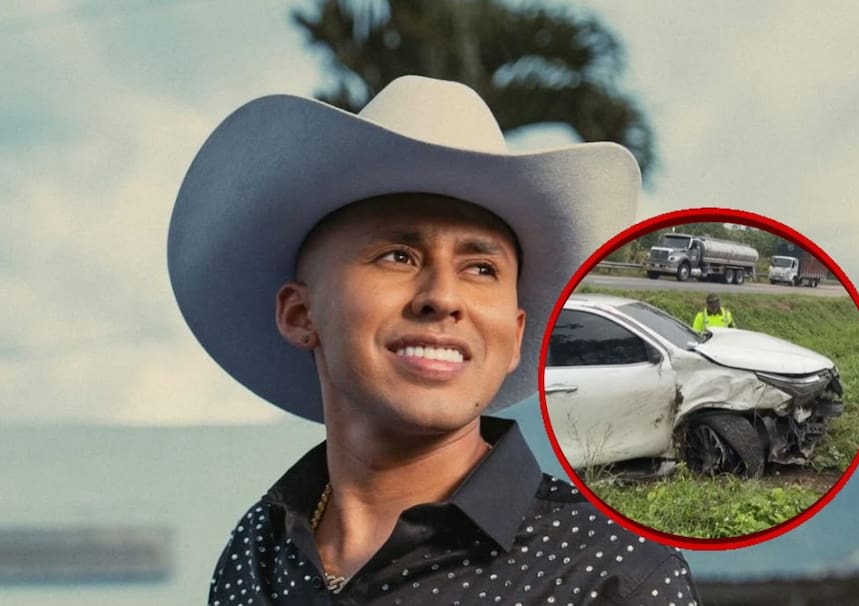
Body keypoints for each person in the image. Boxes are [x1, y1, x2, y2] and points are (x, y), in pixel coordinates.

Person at [169, 75, 701, 605]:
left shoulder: (612, 573)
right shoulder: (257, 555)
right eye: (397, 256)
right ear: (300, 313)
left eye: (481, 268)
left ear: (516, 336)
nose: (443, 297)